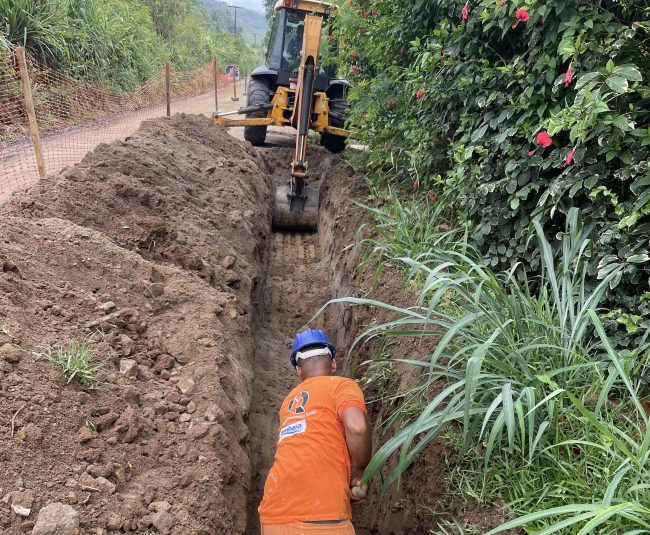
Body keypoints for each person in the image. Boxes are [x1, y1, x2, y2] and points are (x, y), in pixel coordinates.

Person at [258, 329, 372, 534]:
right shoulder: (341, 386)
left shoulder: (288, 403)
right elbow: (357, 428)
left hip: (273, 516)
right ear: (334, 364)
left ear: (299, 371)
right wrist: (361, 472)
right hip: (322, 516)